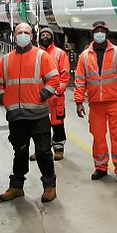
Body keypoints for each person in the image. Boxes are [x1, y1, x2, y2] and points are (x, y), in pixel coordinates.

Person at [0, 22, 61, 203]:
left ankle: (49, 187)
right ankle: (16, 187)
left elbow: (54, 78)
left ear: (32, 36)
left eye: (26, 32)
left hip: (38, 115)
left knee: (43, 152)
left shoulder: (42, 56)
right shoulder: (6, 60)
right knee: (20, 152)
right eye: (19, 32)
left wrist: (44, 93)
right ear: (14, 36)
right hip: (16, 117)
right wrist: (3, 98)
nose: (23, 35)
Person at [74, 21, 117, 181]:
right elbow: (79, 80)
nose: (100, 34)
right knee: (98, 136)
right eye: (97, 31)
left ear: (107, 34)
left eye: (102, 31)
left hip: (115, 102)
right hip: (95, 104)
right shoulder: (85, 56)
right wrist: (79, 101)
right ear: (93, 34)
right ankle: (100, 167)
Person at [29, 27, 70, 161]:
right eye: (43, 34)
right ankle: (41, 150)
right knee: (40, 126)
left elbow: (65, 75)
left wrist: (58, 92)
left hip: (56, 98)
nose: (45, 36)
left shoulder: (60, 54)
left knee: (57, 124)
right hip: (40, 97)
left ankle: (58, 149)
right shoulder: (35, 53)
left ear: (52, 37)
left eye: (48, 34)